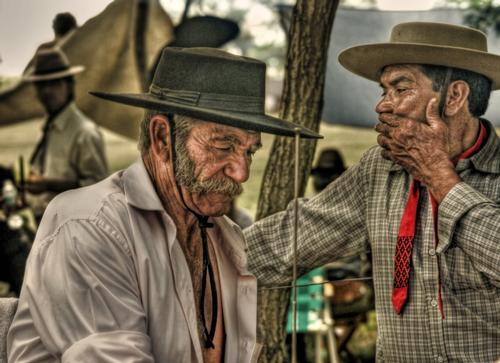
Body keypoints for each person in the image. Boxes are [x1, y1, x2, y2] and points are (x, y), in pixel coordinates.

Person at [7, 47, 320, 362]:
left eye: (249, 151)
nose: (242, 173)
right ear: (161, 138)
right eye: (224, 145)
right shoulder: (89, 226)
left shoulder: (224, 237)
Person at [245, 22, 500, 362]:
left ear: (454, 96)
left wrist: (439, 176)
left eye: (401, 89)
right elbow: (287, 239)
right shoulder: (380, 170)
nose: (383, 106)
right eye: (384, 91)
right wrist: (188, 253)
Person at [23, 48, 108, 221]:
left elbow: (99, 189)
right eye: (41, 85)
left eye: (54, 83)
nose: (47, 91)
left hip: (71, 228)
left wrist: (48, 185)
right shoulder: (49, 126)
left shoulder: (84, 132)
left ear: (69, 86)